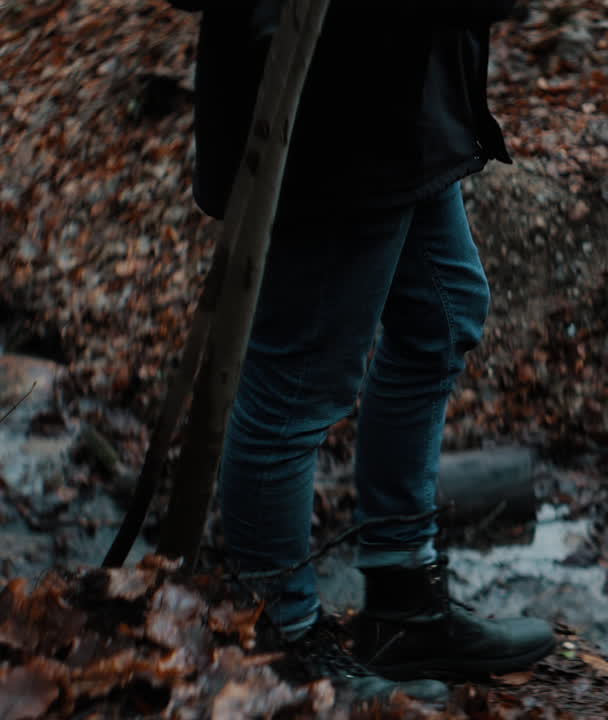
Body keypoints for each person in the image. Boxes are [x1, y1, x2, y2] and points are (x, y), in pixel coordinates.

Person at [181, 0, 554, 701]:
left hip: (412, 101)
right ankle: (279, 647)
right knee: (296, 382)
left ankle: (403, 602)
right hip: (331, 110)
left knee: (441, 321)